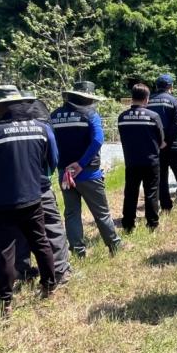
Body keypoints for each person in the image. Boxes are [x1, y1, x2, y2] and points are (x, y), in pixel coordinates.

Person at [0, 86, 57, 313]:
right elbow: (48, 162)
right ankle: (49, 286)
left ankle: (4, 301)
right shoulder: (40, 128)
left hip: (1, 201)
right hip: (33, 197)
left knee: (4, 250)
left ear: (0, 107)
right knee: (40, 241)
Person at [50, 81, 122, 257]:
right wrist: (81, 164)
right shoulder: (90, 115)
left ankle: (78, 251)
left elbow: (50, 144)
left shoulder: (54, 116)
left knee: (71, 213)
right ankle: (114, 245)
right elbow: (97, 140)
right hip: (88, 173)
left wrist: (60, 165)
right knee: (101, 213)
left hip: (65, 174)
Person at [15, 89, 72, 287]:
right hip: (40, 186)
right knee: (52, 227)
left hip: (14, 189)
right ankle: (60, 270)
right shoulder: (42, 128)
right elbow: (53, 158)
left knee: (19, 230)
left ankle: (22, 271)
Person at [118, 84, 165, 233]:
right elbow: (161, 140)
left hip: (131, 161)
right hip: (151, 161)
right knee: (151, 192)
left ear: (132, 98)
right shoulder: (153, 116)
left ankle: (128, 224)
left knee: (130, 192)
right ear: (147, 99)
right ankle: (152, 224)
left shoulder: (122, 117)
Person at [148, 74, 177, 213]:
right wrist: (167, 141)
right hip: (173, 144)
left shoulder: (148, 101)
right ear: (171, 87)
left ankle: (166, 207)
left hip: (156, 145)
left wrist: (158, 142)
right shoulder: (175, 102)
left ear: (157, 86)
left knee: (161, 176)